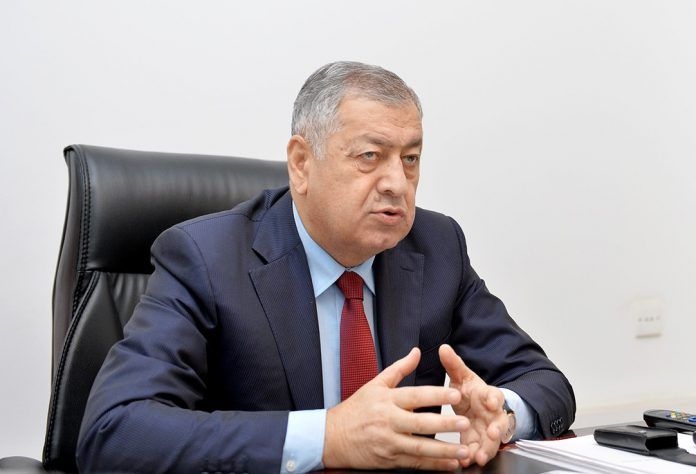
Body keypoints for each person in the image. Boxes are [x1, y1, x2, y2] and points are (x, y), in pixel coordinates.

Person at [77, 61, 575, 473]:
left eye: (411, 159)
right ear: (301, 163)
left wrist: (502, 414)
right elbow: (114, 432)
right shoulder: (206, 257)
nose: (397, 183)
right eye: (370, 156)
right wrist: (328, 436)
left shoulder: (436, 246)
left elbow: (544, 382)